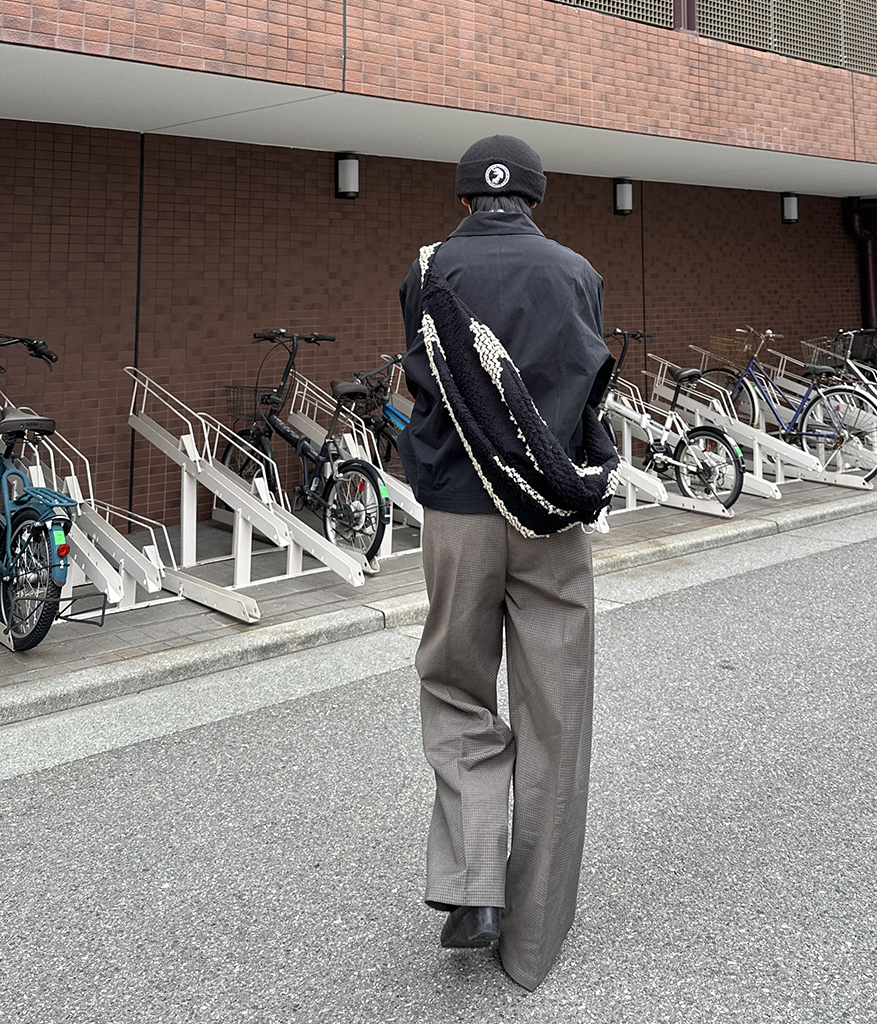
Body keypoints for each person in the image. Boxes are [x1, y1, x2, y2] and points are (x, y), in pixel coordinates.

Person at [397, 135, 616, 991]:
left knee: (456, 687)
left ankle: (470, 883)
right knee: (558, 714)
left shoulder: (428, 273)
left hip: (457, 514)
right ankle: (531, 945)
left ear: (464, 200)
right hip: (549, 519)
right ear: (535, 196)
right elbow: (588, 387)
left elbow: (427, 386)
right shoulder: (577, 273)